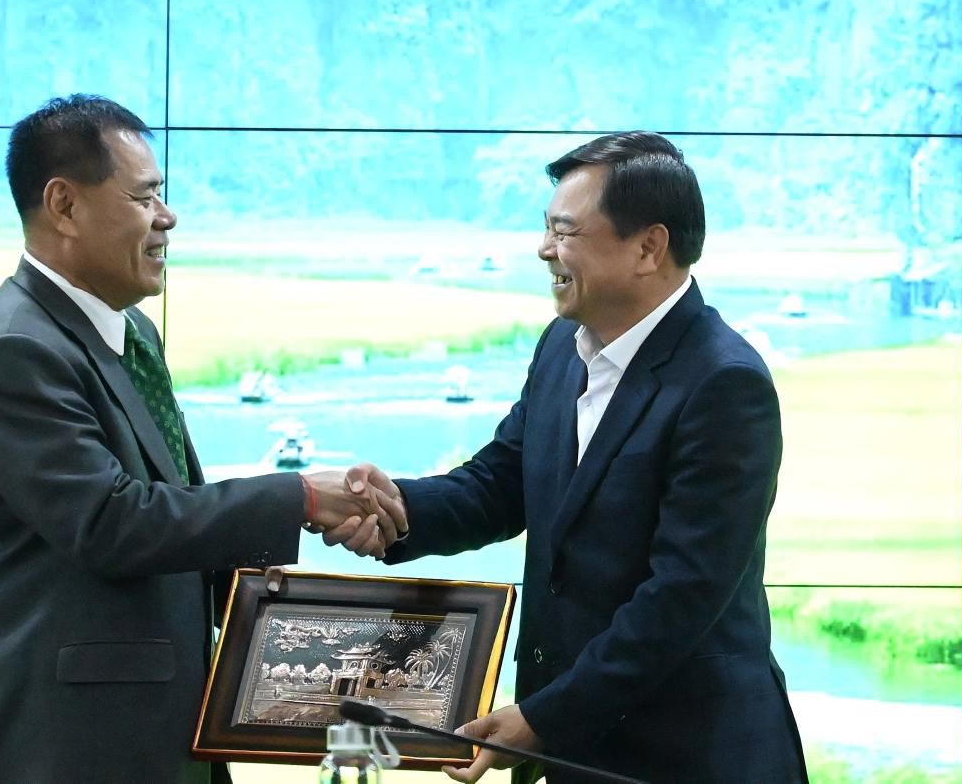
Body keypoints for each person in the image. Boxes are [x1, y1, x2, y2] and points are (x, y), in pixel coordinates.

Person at [0, 94, 402, 784]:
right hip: (66, 751)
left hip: (158, 741)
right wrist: (301, 497)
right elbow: (112, 522)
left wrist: (327, 641)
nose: (167, 216)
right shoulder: (16, 349)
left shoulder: (131, 333)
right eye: (144, 197)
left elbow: (175, 516)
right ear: (64, 205)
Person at [343, 132, 808, 783]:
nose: (544, 250)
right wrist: (394, 507)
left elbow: (682, 595)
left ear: (648, 247)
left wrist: (545, 719)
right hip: (573, 752)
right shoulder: (562, 347)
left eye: (564, 232)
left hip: (689, 756)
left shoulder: (724, 383)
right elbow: (501, 483)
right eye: (546, 229)